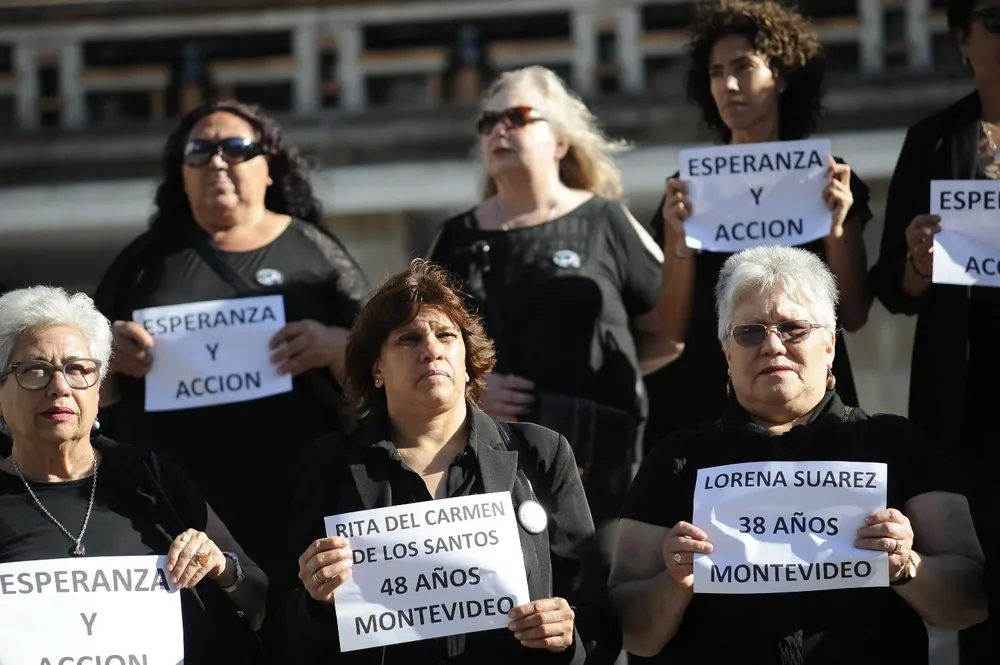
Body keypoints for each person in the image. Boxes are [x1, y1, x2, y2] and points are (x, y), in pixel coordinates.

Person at [607, 246, 986, 665]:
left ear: (830, 345)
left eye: (793, 329)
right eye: (749, 332)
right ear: (727, 353)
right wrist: (674, 581)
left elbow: (971, 603)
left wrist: (906, 565)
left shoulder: (897, 445)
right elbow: (631, 633)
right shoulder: (675, 460)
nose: (772, 345)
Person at [265, 260, 621, 664]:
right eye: (408, 339)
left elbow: (597, 618)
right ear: (376, 368)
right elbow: (283, 634)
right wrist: (316, 602)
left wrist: (568, 633)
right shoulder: (328, 465)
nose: (431, 350)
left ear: (468, 361)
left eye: (446, 335)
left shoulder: (541, 453)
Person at [93, 100, 370, 579]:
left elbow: (381, 366)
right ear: (181, 173)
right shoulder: (143, 263)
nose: (217, 162)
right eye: (199, 151)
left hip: (300, 495)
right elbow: (86, 382)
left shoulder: (315, 251)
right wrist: (106, 353)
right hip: (176, 508)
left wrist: (332, 345)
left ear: (270, 167)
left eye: (236, 148)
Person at [428, 65, 683, 546]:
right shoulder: (455, 237)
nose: (500, 129)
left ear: (561, 142)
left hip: (600, 468)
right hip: (491, 469)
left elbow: (668, 334)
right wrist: (469, 388)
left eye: (518, 116)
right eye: (488, 121)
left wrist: (602, 386)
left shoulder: (605, 219)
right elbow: (420, 346)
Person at [640, 0, 873, 451]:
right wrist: (678, 237)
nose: (728, 84)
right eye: (716, 72)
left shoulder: (828, 178)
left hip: (811, 405)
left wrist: (837, 230)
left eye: (743, 67)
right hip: (708, 400)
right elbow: (671, 329)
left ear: (780, 75)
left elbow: (855, 315)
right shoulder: (687, 189)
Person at [0, 286, 267, 663]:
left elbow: (259, 601)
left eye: (78, 369)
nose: (59, 387)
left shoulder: (152, 478)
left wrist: (221, 568)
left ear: (98, 388)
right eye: (34, 370)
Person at [868, 3, 999, 662]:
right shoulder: (936, 141)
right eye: (996, 18)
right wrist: (920, 261)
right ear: (962, 39)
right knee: (981, 594)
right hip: (968, 408)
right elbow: (893, 287)